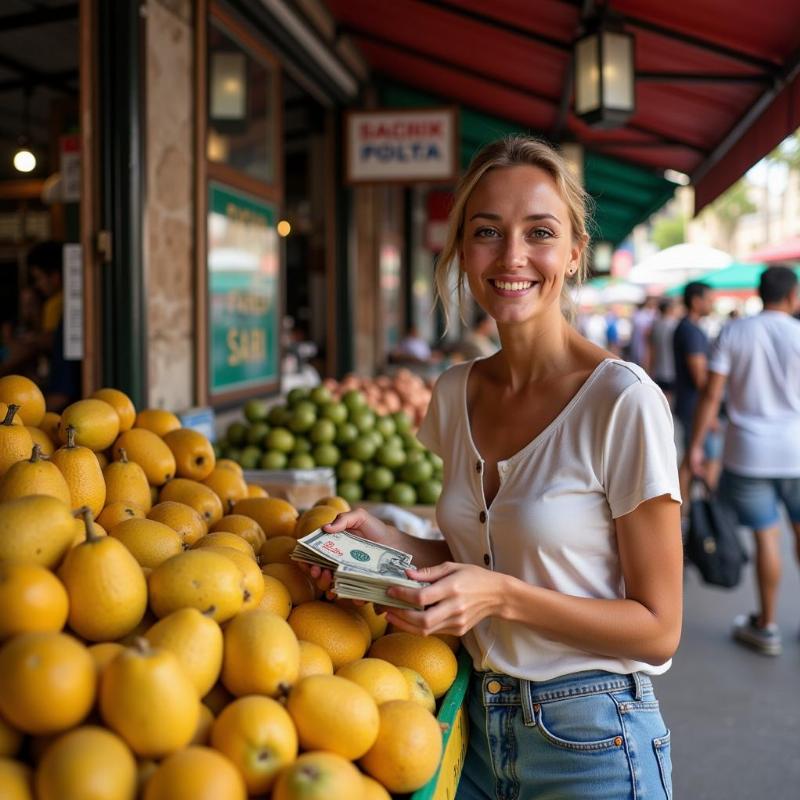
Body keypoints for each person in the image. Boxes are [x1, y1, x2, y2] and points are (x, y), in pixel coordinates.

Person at [308, 136, 682, 798]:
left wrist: (498, 595)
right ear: (461, 252)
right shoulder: (455, 393)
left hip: (592, 736)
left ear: (572, 253)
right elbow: (476, 555)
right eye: (487, 232)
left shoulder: (622, 401)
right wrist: (387, 549)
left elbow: (658, 629)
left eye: (539, 232)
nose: (512, 256)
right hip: (473, 728)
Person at [686, 266, 800, 656]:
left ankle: (766, 627)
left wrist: (696, 445)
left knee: (767, 537)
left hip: (749, 453)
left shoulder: (735, 332)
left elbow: (712, 395)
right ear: (793, 296)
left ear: (760, 292)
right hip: (797, 450)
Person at [0, 241, 80, 410]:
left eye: (38, 278)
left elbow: (48, 342)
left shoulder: (59, 308)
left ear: (55, 277)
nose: (37, 286)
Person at [673, 281, 722, 500]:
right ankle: (696, 512)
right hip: (695, 406)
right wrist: (709, 413)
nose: (712, 303)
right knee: (699, 457)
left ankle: (687, 512)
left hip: (691, 403)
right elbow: (700, 377)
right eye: (709, 299)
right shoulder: (691, 331)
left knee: (693, 457)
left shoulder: (687, 328)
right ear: (696, 301)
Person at [647, 297, 679, 406]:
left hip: (658, 368)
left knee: (662, 400)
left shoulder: (655, 326)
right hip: (673, 369)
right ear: (670, 309)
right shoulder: (676, 326)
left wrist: (649, 369)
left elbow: (651, 350)